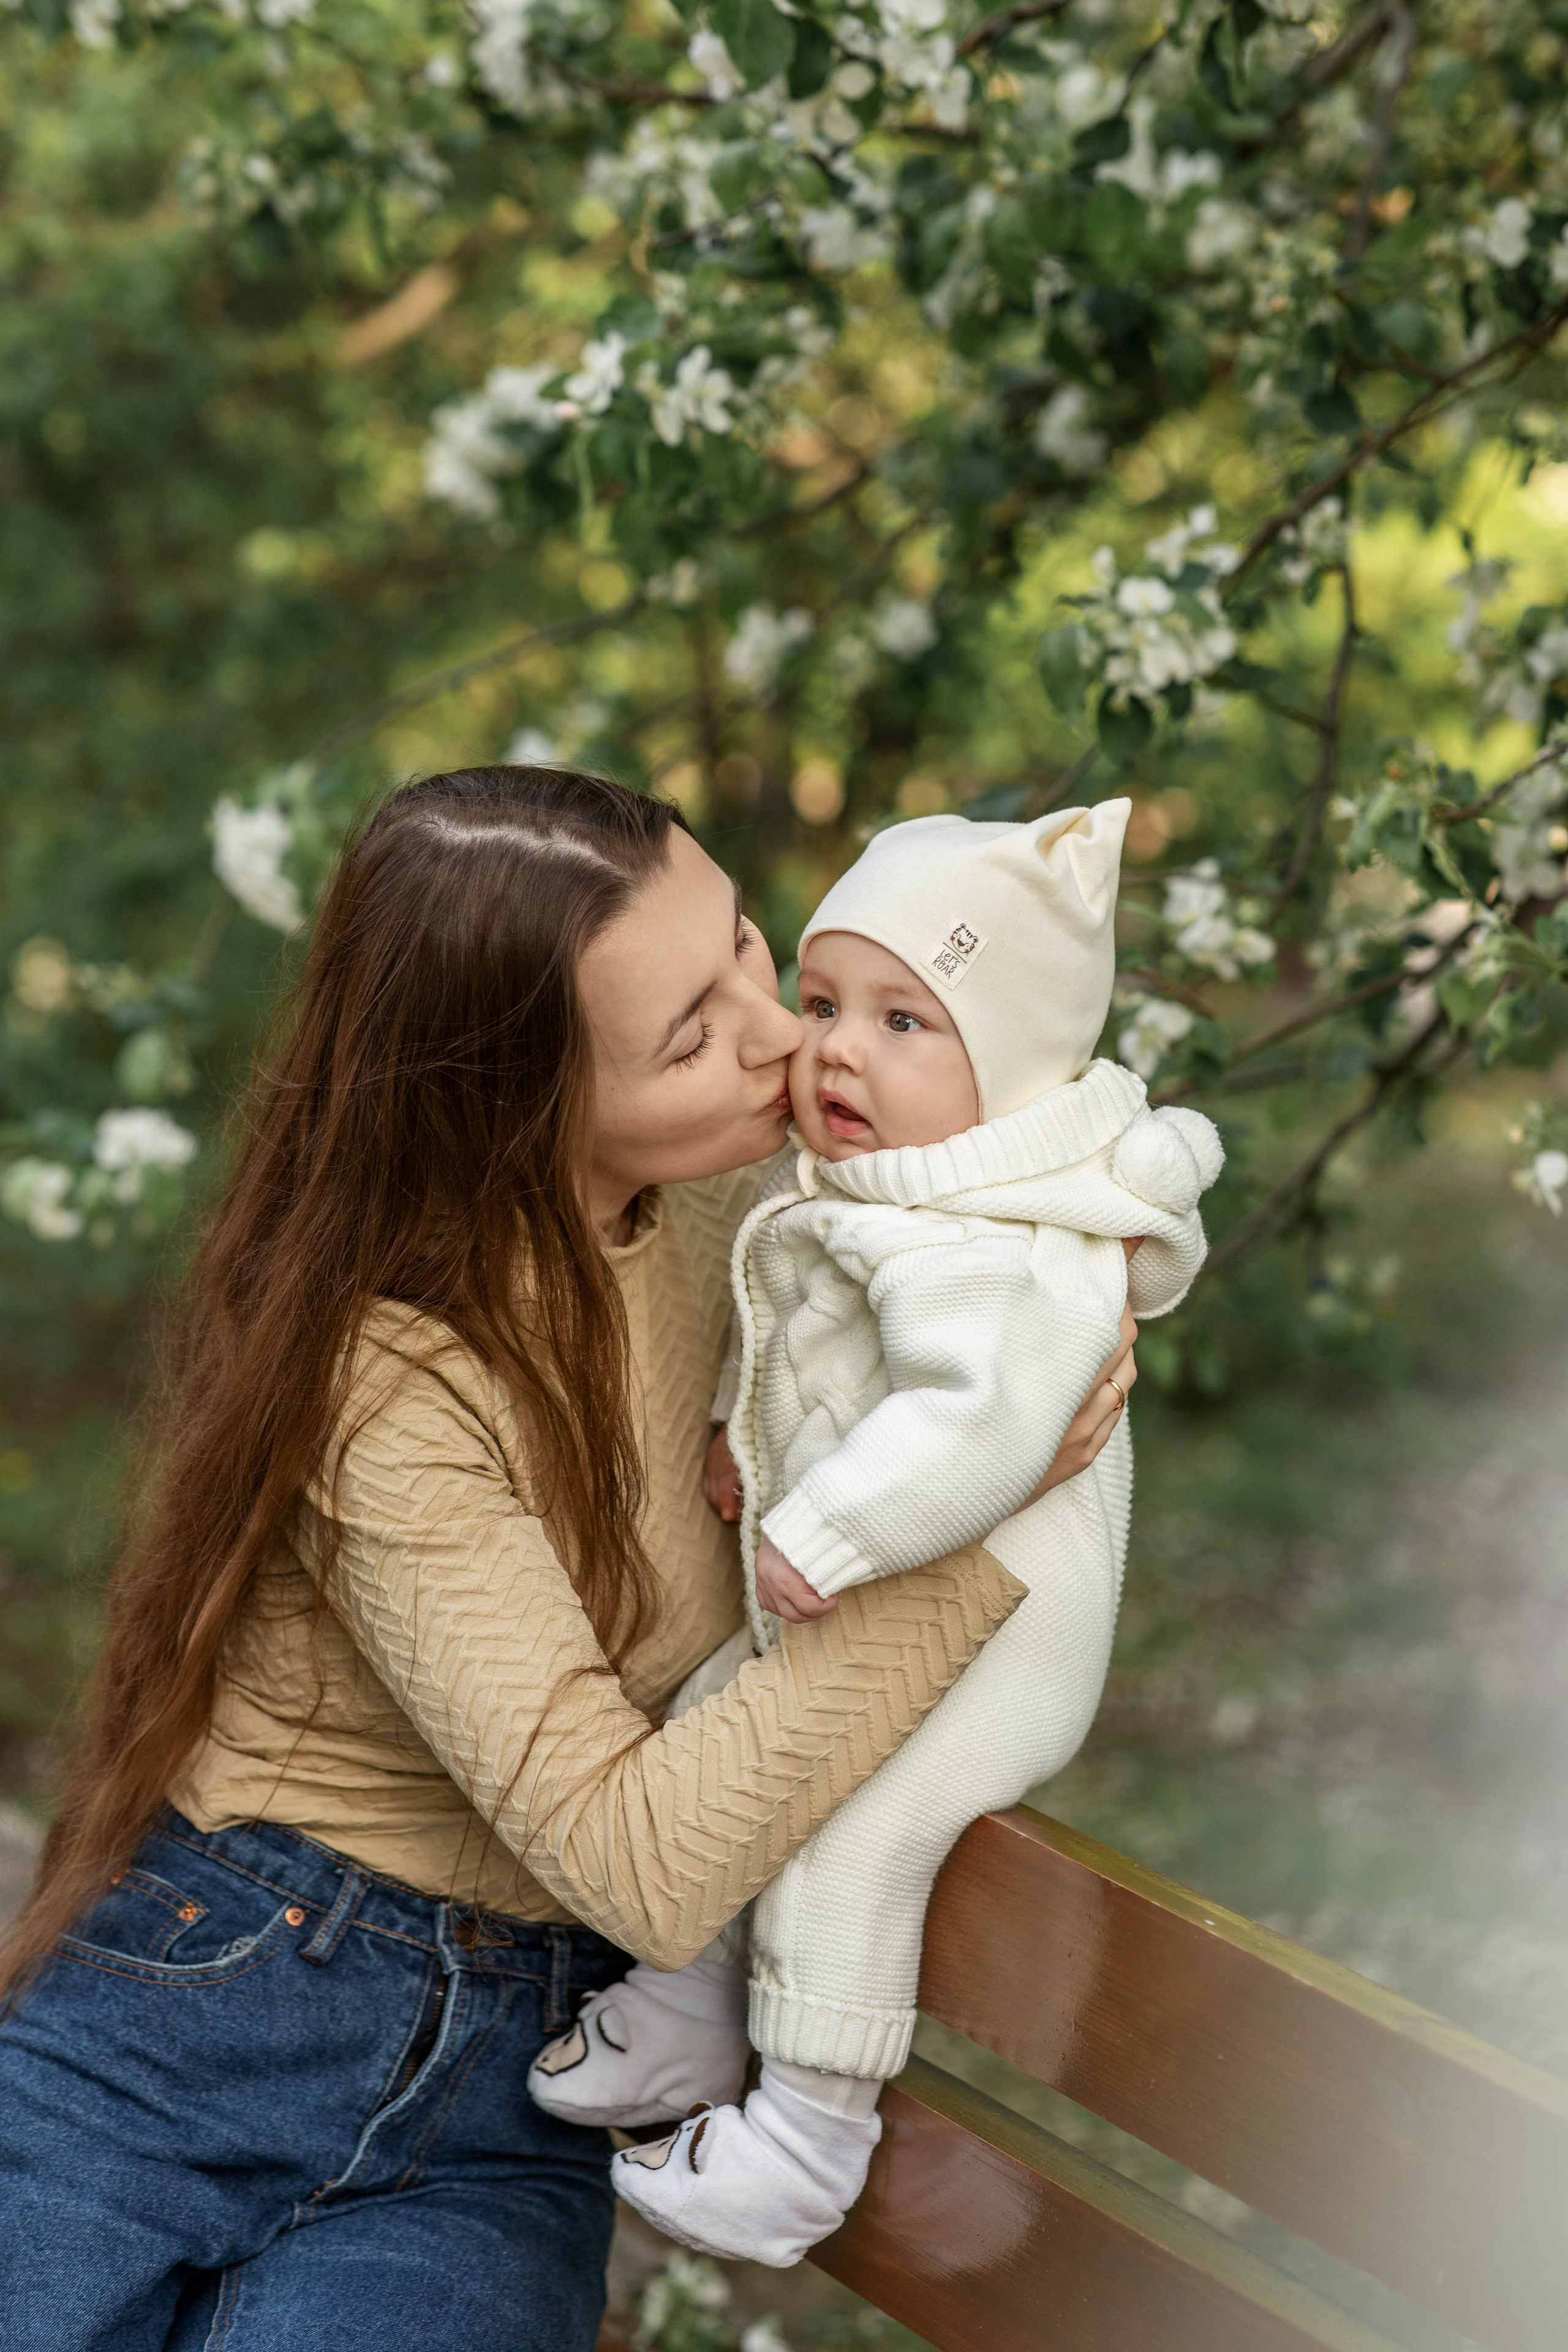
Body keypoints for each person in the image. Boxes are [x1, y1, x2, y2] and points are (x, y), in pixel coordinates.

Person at [0, 767, 1136, 2351]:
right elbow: (638, 1857)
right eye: (691, 1036)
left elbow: (1025, 1182)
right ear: (514, 1103)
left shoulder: (767, 1212)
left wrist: (1024, 1385)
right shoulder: (386, 1372)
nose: (781, 1033)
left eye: (745, 945)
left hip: (514, 2087)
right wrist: (985, 1532)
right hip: (219, 2003)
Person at [529, 800, 1221, 2266]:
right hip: (874, 1611)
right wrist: (742, 1436)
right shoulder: (894, 1184)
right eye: (828, 1000)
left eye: (903, 1020)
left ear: (1012, 1061)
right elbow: (802, 1333)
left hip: (998, 1637)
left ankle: (804, 2146)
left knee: (850, 1839)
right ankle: (691, 2012)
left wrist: (828, 1531)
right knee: (712, 1724)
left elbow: (978, 1427)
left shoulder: (1011, 1252)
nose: (835, 1049)